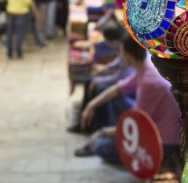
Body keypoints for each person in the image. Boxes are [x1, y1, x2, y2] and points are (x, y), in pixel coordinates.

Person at [75, 36, 181, 164]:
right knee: (115, 98)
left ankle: (115, 139)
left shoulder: (148, 81)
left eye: (121, 52)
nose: (120, 57)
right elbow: (119, 88)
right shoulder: (145, 67)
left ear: (129, 55)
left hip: (161, 142)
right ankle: (116, 136)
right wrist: (91, 105)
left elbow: (138, 125)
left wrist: (102, 132)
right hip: (150, 123)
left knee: (99, 146)